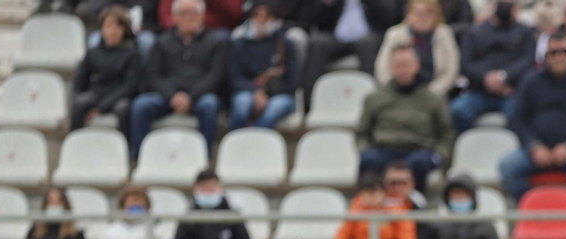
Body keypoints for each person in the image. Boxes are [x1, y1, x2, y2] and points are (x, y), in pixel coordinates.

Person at [498, 31, 566, 201]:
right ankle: (531, 209)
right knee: (508, 166)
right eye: (553, 53)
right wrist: (533, 146)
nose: (559, 57)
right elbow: (517, 119)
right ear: (545, 56)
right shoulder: (530, 80)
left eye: (564, 52)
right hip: (536, 152)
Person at [129, 0, 230, 156]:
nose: (189, 18)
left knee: (210, 104)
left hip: (199, 96)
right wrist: (173, 96)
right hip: (168, 96)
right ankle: (140, 157)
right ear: (175, 17)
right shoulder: (162, 42)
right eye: (184, 13)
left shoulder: (215, 42)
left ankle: (204, 157)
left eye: (193, 13)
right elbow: (153, 76)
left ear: (202, 16)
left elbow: (215, 76)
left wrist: (190, 97)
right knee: (141, 105)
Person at [357, 44, 455, 189]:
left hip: (419, 149)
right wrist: (365, 149)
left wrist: (439, 155)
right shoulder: (374, 98)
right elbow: (362, 132)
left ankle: (416, 206)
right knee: (369, 160)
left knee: (420, 163)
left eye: (407, 65)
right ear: (390, 67)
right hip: (383, 149)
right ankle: (369, 207)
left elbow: (447, 132)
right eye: (398, 65)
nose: (403, 70)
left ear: (416, 66)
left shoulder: (433, 99)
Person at [449, 0, 535, 131]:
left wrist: (504, 77)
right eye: (501, 4)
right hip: (479, 91)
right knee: (457, 110)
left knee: (519, 115)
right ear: (492, 6)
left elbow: (528, 61)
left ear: (516, 8)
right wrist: (486, 78)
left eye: (509, 5)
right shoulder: (474, 32)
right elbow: (466, 64)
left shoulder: (525, 32)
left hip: (511, 92)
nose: (504, 8)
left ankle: (514, 150)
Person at [298, 0, 400, 110]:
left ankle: (374, 102)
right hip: (337, 37)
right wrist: (328, 4)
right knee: (317, 43)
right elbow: (316, 21)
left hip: (368, 36)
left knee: (367, 44)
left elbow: (389, 17)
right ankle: (308, 104)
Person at [71, 5, 144, 141]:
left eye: (118, 26)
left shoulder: (132, 54)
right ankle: (75, 144)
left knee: (123, 109)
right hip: (97, 94)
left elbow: (130, 86)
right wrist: (78, 98)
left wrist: (101, 107)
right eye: (108, 26)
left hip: (120, 97)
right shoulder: (93, 53)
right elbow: (79, 81)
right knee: (79, 103)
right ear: (101, 29)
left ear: (125, 29)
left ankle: (126, 150)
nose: (113, 31)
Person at [227, 1, 298, 131]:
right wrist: (255, 92)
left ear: (274, 19)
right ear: (250, 18)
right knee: (242, 104)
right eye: (257, 15)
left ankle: (250, 142)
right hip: (248, 91)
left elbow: (293, 81)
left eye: (267, 15)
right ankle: (231, 141)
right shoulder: (239, 44)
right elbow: (234, 79)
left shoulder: (284, 44)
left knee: (275, 108)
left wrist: (268, 95)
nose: (261, 19)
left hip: (278, 94)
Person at [375, 0, 460, 97]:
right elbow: (382, 70)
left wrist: (428, 94)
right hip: (397, 94)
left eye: (428, 13)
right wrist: (394, 91)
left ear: (436, 15)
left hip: (433, 95)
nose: (422, 18)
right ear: (409, 15)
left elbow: (451, 71)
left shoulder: (444, 33)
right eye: (418, 13)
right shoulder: (395, 34)